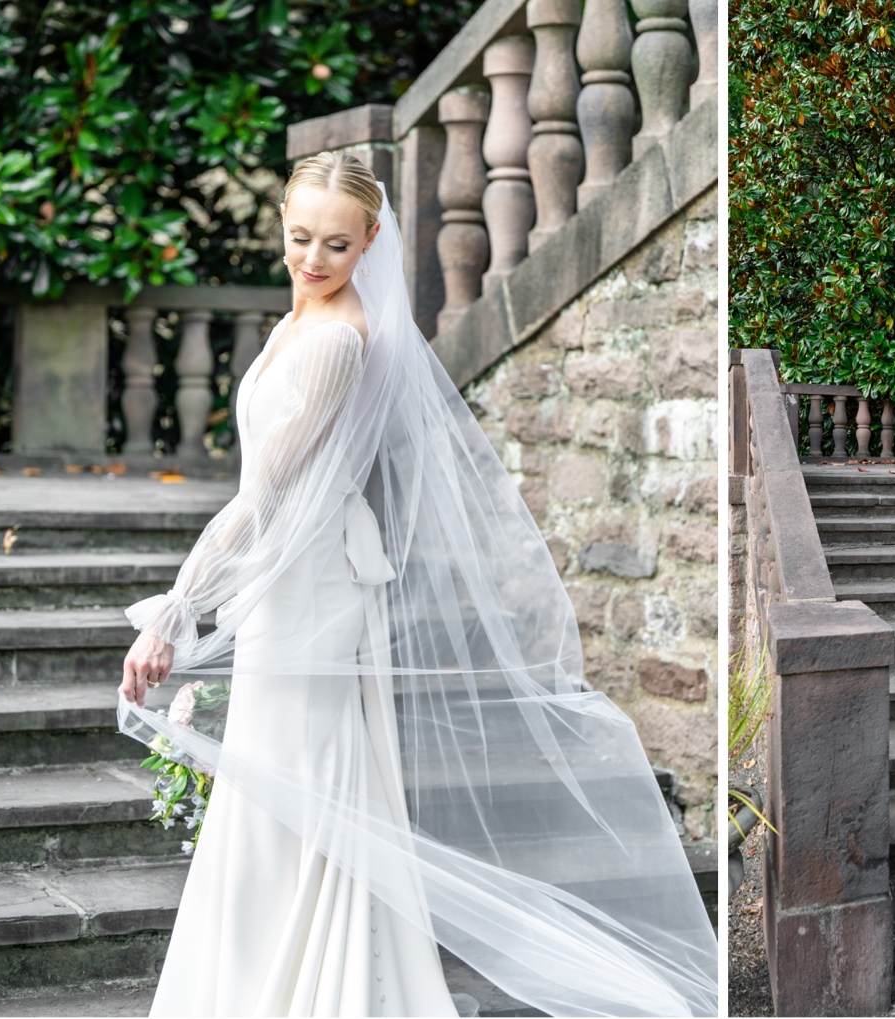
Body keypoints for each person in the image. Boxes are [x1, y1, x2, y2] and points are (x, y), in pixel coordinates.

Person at [117, 151, 718, 1017]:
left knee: (302, 785)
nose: (313, 259)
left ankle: (314, 989)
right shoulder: (302, 316)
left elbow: (261, 498)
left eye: (334, 243)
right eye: (298, 237)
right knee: (282, 787)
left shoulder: (332, 342)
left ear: (369, 241)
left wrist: (174, 613)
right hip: (293, 580)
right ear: (281, 224)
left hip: (312, 589)